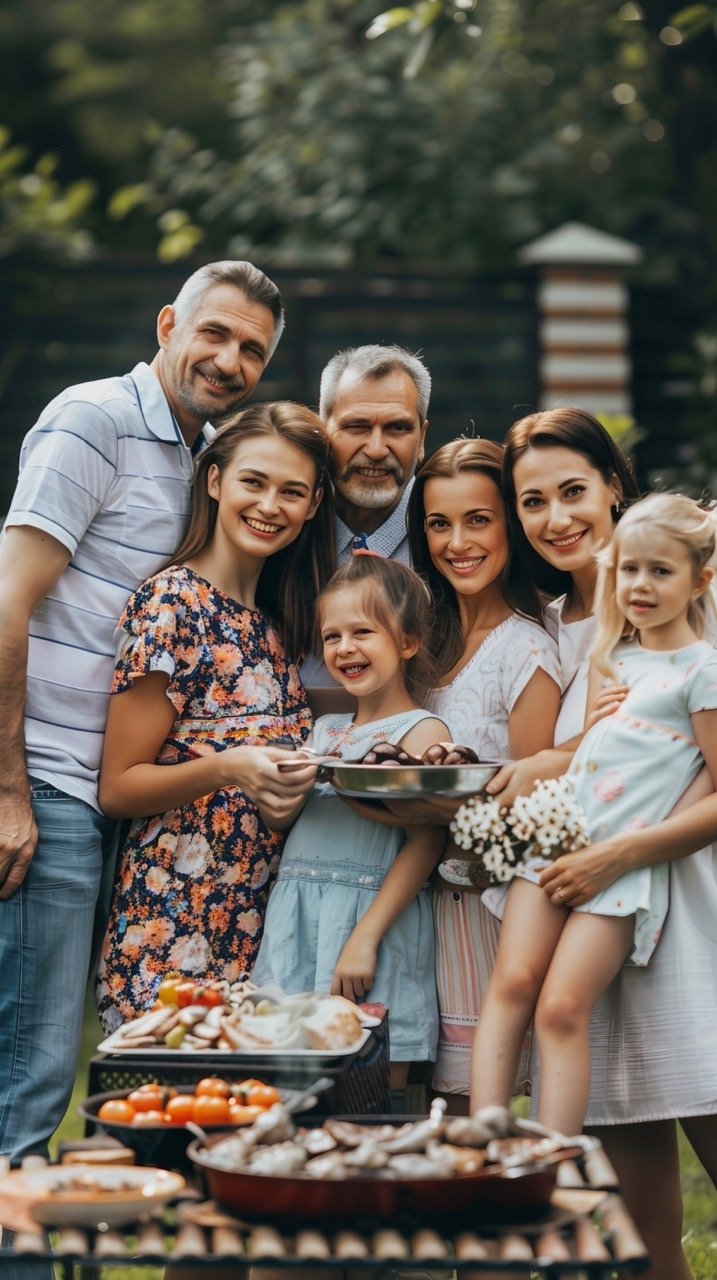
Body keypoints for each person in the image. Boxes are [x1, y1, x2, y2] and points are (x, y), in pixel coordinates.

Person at [0, 259, 285, 1167]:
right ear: (168, 325)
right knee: (30, 1073)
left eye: (252, 350)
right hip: (46, 782)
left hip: (105, 791)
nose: (229, 359)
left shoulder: (199, 457)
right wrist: (10, 791)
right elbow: (9, 604)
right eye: (215, 333)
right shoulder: (96, 420)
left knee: (45, 1066)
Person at [490, 407, 716, 1280]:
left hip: (681, 898)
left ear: (614, 488)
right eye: (532, 501)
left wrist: (625, 853)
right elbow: (582, 759)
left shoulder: (686, 610)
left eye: (573, 492)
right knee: (639, 1194)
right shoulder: (556, 625)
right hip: (595, 908)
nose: (555, 518)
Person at [472, 492, 717, 1140]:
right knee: (510, 985)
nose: (639, 585)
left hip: (617, 871)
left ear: (701, 578)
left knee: (559, 1009)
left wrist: (629, 851)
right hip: (556, 841)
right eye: (627, 569)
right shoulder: (616, 661)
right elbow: (592, 765)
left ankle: (552, 1160)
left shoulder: (702, 673)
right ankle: (481, 1142)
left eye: (659, 571)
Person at [95, 403, 334, 1030]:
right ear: (215, 481)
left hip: (258, 923)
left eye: (292, 492)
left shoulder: (280, 627)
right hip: (173, 920)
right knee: (168, 1119)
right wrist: (229, 767)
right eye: (254, 482)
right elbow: (120, 786)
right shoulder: (172, 603)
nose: (269, 505)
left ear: (312, 508)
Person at [252, 554, 449, 1100]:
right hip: (300, 915)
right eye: (332, 635)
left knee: (369, 1078)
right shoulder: (325, 729)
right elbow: (282, 820)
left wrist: (364, 939)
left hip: (369, 922)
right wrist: (282, 790)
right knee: (286, 1078)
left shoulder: (419, 731)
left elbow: (428, 837)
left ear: (407, 641)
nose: (344, 648)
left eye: (363, 631)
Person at [406, 438, 562, 1108]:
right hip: (426, 906)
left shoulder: (524, 648)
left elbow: (533, 809)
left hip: (488, 911)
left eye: (477, 519)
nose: (456, 542)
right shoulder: (428, 638)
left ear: (509, 526)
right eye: (438, 523)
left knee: (477, 1108)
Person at [301, 344, 431, 692]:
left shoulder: (449, 536)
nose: (376, 449)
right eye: (357, 426)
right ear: (323, 429)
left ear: (422, 439)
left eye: (398, 428)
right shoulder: (287, 527)